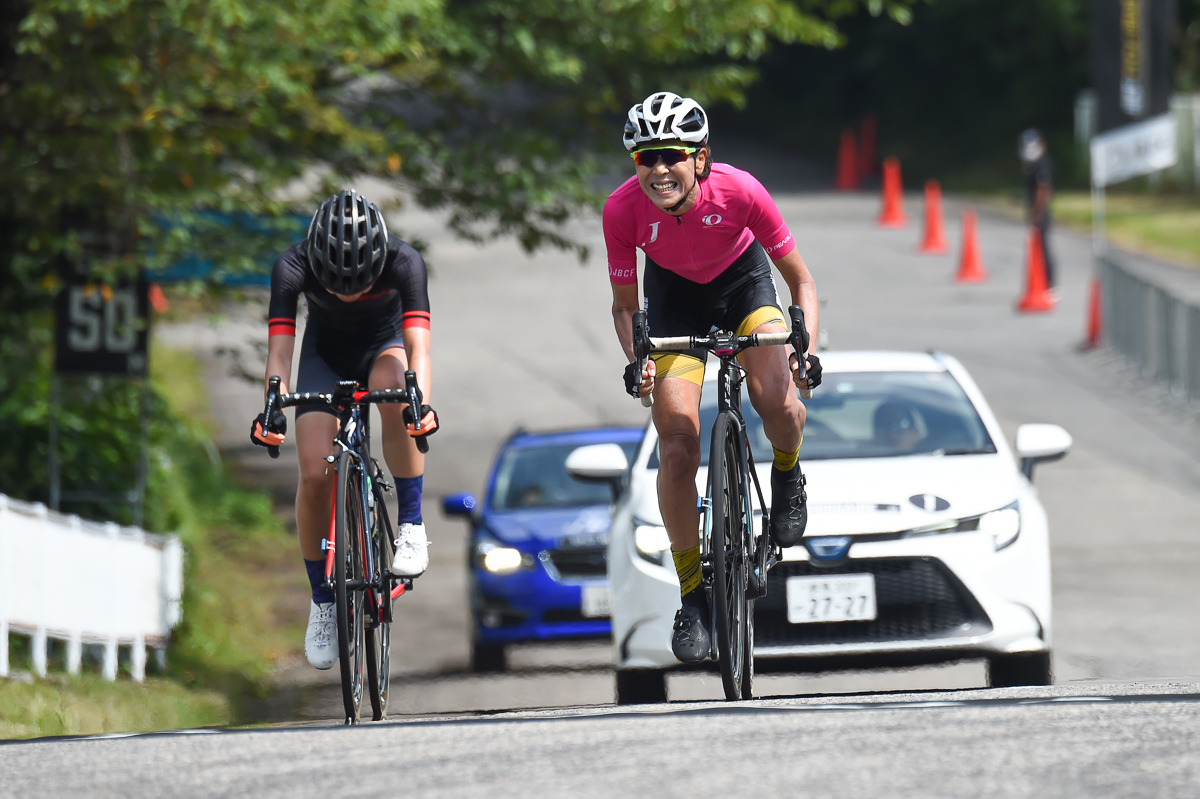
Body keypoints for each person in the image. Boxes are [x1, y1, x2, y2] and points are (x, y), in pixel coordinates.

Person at [603, 91, 822, 663]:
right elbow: (626, 306)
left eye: (669, 155)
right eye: (644, 158)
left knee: (776, 398)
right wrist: (638, 361)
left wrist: (804, 349)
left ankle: (787, 472)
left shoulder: (741, 190)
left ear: (699, 157)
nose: (657, 170)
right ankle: (693, 593)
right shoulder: (622, 211)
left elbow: (800, 282)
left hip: (742, 284)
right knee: (676, 444)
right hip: (673, 301)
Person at [250, 190, 439, 670]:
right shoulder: (291, 267)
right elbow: (279, 355)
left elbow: (419, 349)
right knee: (314, 473)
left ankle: (412, 524)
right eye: (337, 284)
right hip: (324, 355)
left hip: (385, 346)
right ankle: (322, 600)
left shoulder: (405, 261)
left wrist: (422, 405)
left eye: (359, 282)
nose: (349, 293)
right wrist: (272, 407)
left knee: (396, 390)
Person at [1019, 128, 1056, 290]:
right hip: (1038, 211)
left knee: (1043, 248)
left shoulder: (1042, 164)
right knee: (1039, 247)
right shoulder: (1034, 165)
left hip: (1041, 212)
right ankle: (1042, 282)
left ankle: (1049, 283)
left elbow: (1043, 189)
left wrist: (1037, 213)